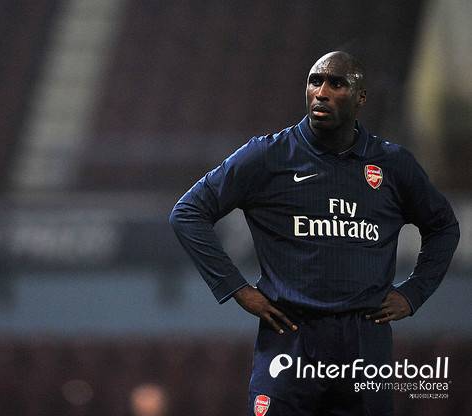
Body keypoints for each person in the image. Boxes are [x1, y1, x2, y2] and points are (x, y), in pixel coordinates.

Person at [169, 51, 459, 416]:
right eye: (315, 81)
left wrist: (414, 292)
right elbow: (188, 212)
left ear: (361, 98)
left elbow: (443, 226)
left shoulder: (393, 164)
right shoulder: (267, 156)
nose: (321, 92)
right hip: (289, 335)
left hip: (364, 338)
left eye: (336, 84)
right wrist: (237, 289)